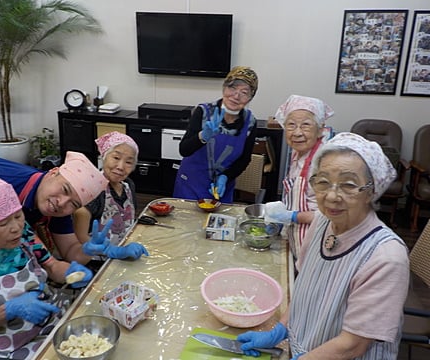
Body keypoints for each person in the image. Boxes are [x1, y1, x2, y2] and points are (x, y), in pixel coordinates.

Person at [237, 132, 409, 359]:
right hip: (308, 348)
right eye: (323, 181)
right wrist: (280, 329)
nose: (331, 196)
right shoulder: (321, 222)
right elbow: (305, 286)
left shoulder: (386, 258)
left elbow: (352, 345)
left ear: (371, 190)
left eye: (348, 185)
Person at [0, 179, 94, 358]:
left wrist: (73, 272)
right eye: (3, 224)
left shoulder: (23, 232)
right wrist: (9, 310)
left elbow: (52, 266)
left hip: (49, 326)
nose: (16, 228)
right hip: (6, 348)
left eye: (18, 216)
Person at [0, 151, 110, 264]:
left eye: (73, 204)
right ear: (53, 172)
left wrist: (90, 249)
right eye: (65, 189)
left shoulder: (56, 209)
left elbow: (70, 252)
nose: (62, 203)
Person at [173, 66, 258, 203]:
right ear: (224, 88)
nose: (236, 96)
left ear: (249, 98)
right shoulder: (203, 112)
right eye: (232, 88)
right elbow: (184, 150)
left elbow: (244, 159)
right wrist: (203, 137)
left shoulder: (250, 123)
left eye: (244, 92)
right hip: (191, 185)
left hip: (221, 189)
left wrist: (226, 176)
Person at [264, 95, 334, 260]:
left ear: (320, 129)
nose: (297, 132)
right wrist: (281, 217)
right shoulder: (298, 154)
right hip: (298, 242)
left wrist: (292, 216)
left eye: (306, 125)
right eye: (291, 125)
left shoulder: (325, 163)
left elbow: (331, 215)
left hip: (318, 245)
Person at [73, 132, 148, 267]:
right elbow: (80, 238)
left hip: (124, 256)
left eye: (129, 162)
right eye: (116, 157)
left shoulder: (128, 185)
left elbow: (128, 219)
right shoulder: (91, 191)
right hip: (96, 262)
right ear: (104, 157)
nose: (120, 166)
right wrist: (112, 251)